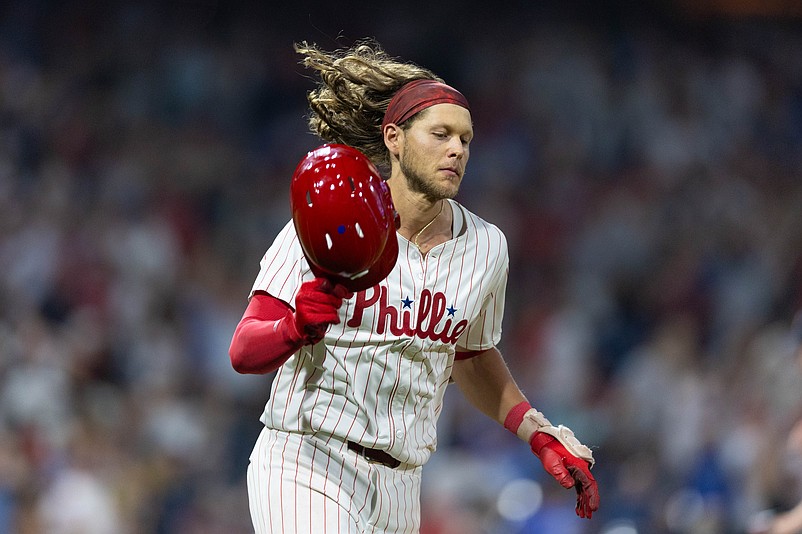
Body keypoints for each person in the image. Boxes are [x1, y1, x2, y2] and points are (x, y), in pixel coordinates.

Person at [228, 38, 599, 534]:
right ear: (394, 138)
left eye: (466, 140)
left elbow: (469, 353)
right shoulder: (332, 219)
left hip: (402, 487)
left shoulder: (487, 246)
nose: (457, 150)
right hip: (309, 459)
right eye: (441, 134)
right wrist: (292, 327)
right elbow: (243, 350)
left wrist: (536, 431)